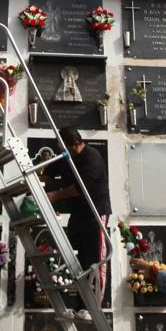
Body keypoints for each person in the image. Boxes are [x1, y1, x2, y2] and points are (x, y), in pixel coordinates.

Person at [46, 126, 111, 318]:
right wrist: (42, 181)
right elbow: (51, 171)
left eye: (65, 147)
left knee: (93, 260)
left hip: (95, 214)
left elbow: (81, 188)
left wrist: (55, 195)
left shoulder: (92, 157)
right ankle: (80, 305)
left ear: (75, 144)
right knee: (78, 261)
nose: (63, 151)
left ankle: (92, 306)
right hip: (78, 215)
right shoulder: (68, 156)